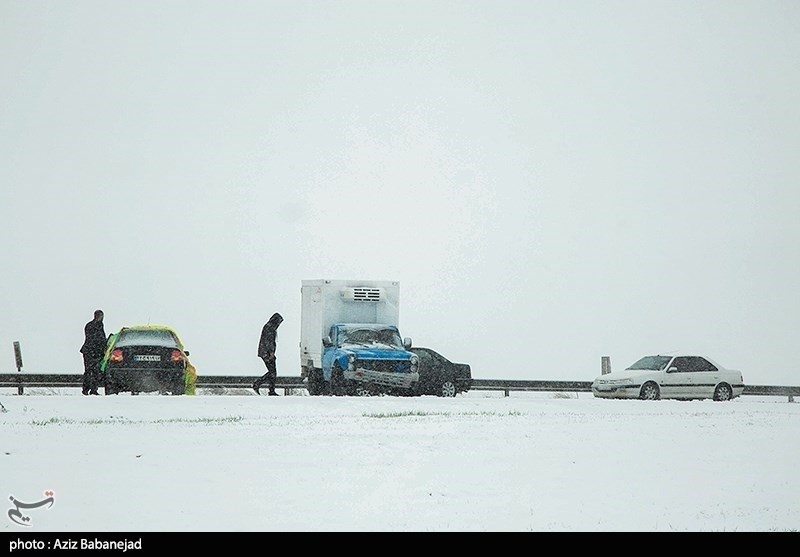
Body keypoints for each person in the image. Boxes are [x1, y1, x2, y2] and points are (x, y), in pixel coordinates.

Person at [254, 312, 283, 395]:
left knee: (272, 372)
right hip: (266, 353)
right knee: (272, 372)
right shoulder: (270, 328)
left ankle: (270, 389)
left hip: (265, 352)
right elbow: (268, 341)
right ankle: (259, 384)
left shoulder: (269, 327)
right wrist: (271, 352)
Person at [80, 309, 106, 396]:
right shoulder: (97, 325)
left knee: (90, 371)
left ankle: (88, 389)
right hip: (93, 352)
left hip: (90, 351)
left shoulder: (90, 325)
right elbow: (98, 339)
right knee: (93, 371)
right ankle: (91, 389)